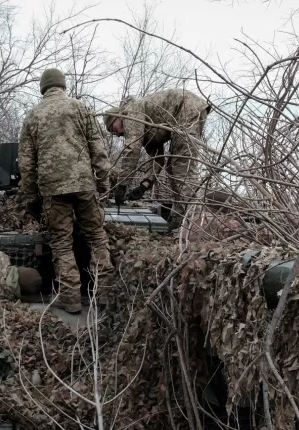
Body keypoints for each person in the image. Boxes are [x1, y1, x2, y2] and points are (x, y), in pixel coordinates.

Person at [18, 69, 114, 314]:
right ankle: (104, 294)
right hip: (84, 185)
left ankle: (70, 299)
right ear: (63, 86)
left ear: (43, 88)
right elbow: (98, 148)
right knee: (96, 237)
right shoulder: (81, 108)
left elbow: (26, 165)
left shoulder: (32, 116)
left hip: (52, 189)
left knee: (61, 244)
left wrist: (31, 199)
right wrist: (103, 182)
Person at [104, 89, 210, 227]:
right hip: (184, 112)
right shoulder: (146, 130)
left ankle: (194, 223)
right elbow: (158, 159)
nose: (117, 135)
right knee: (172, 168)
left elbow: (132, 150)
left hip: (186, 108)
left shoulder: (130, 114)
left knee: (183, 168)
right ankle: (178, 221)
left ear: (117, 117)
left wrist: (122, 185)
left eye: (113, 129)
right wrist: (144, 186)